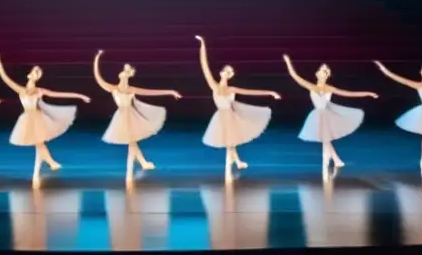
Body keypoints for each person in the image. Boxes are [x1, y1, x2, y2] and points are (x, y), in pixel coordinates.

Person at [0, 52, 91, 186]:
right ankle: (50, 163)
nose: (34, 74)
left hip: (37, 117)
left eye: (37, 73)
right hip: (27, 118)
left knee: (39, 143)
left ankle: (43, 168)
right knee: (39, 144)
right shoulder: (20, 89)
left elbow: (59, 94)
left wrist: (80, 96)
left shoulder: (39, 90)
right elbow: (4, 77)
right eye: (33, 72)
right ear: (28, 75)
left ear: (37, 77)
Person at [197, 36, 279, 181]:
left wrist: (270, 92)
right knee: (230, 142)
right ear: (221, 72)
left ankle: (233, 165)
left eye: (230, 72)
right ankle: (234, 165)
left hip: (231, 116)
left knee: (231, 142)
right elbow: (204, 66)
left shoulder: (232, 89)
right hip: (221, 117)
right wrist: (203, 44)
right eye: (226, 70)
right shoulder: (214, 85)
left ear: (231, 75)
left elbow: (251, 92)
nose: (227, 73)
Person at [94, 50, 182, 184]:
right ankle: (143, 162)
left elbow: (151, 92)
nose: (123, 71)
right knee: (132, 141)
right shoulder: (113, 88)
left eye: (126, 69)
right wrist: (97, 58)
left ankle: (130, 172)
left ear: (128, 75)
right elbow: (98, 78)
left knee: (132, 142)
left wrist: (169, 91)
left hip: (131, 115)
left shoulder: (131, 89)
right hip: (121, 116)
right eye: (124, 69)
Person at [283, 56, 378, 175]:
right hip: (317, 115)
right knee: (325, 139)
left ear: (327, 75)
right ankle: (336, 160)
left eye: (325, 70)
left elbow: (349, 94)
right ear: (316, 73)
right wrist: (288, 62)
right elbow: (295, 76)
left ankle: (329, 162)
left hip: (327, 115)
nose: (322, 72)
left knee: (325, 139)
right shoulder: (311, 86)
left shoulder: (329, 88)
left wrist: (367, 93)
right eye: (321, 69)